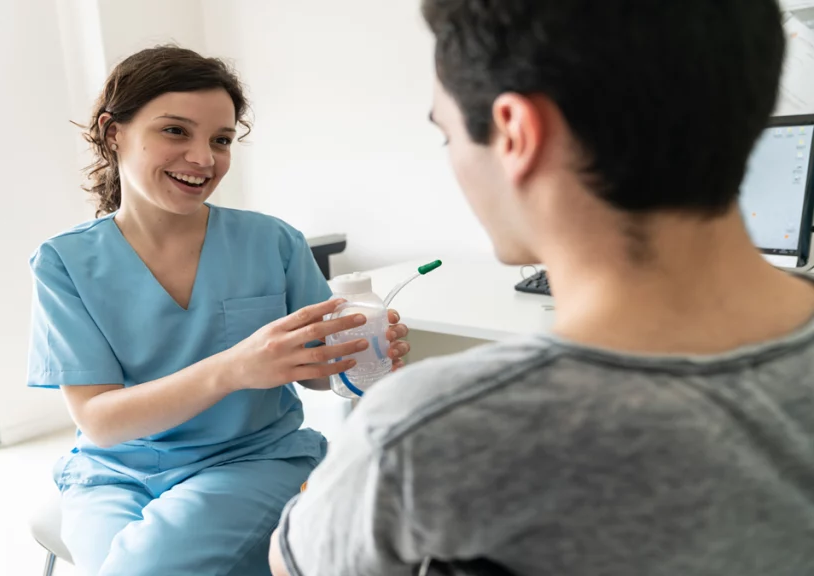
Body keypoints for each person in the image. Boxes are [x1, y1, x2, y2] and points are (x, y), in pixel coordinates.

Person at [270, 0, 814, 574]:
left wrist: (360, 466)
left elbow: (295, 564)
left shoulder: (430, 429)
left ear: (516, 134)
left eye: (447, 135)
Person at [26, 46, 410, 576]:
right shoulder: (64, 262)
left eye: (221, 140)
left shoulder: (272, 242)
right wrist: (235, 368)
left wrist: (360, 357)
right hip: (113, 472)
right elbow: (101, 422)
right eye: (176, 132)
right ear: (114, 133)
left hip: (252, 459)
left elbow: (318, 375)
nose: (204, 159)